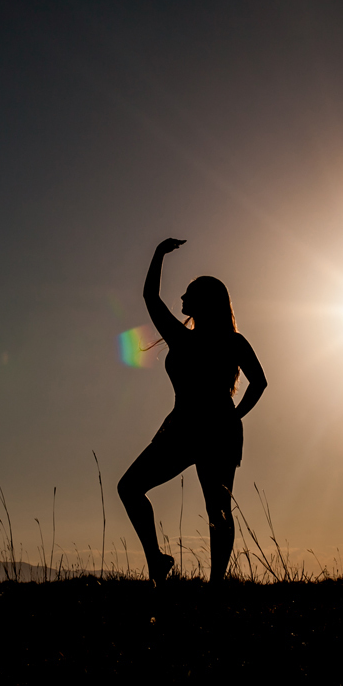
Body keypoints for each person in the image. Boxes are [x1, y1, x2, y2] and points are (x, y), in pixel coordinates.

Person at [117, 238, 267, 584]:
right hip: (189, 428)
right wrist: (158, 253)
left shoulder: (210, 340)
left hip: (203, 429)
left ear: (204, 302)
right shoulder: (198, 338)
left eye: (189, 294)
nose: (182, 298)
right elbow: (150, 298)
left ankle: (212, 583)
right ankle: (161, 563)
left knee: (216, 508)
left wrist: (235, 416)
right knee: (133, 488)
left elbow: (259, 382)